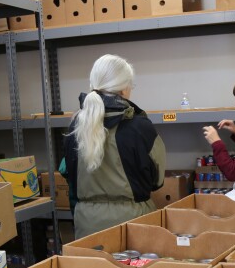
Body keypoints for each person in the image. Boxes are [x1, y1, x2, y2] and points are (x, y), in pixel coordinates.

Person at [64, 54, 166, 239]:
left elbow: (70, 175)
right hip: (133, 226)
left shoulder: (75, 127)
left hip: (87, 227)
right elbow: (157, 181)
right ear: (124, 89)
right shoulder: (140, 127)